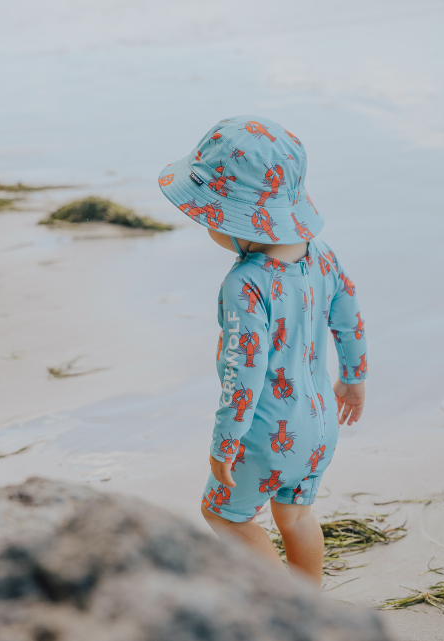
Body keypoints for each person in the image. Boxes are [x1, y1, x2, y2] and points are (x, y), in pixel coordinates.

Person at [158, 115, 367, 585]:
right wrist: (353, 380)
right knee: (294, 516)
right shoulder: (322, 254)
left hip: (267, 431)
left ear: (235, 219)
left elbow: (243, 373)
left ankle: (287, 608)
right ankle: (313, 610)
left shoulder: (246, 283)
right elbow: (349, 319)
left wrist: (224, 443)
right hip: (320, 425)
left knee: (226, 516)